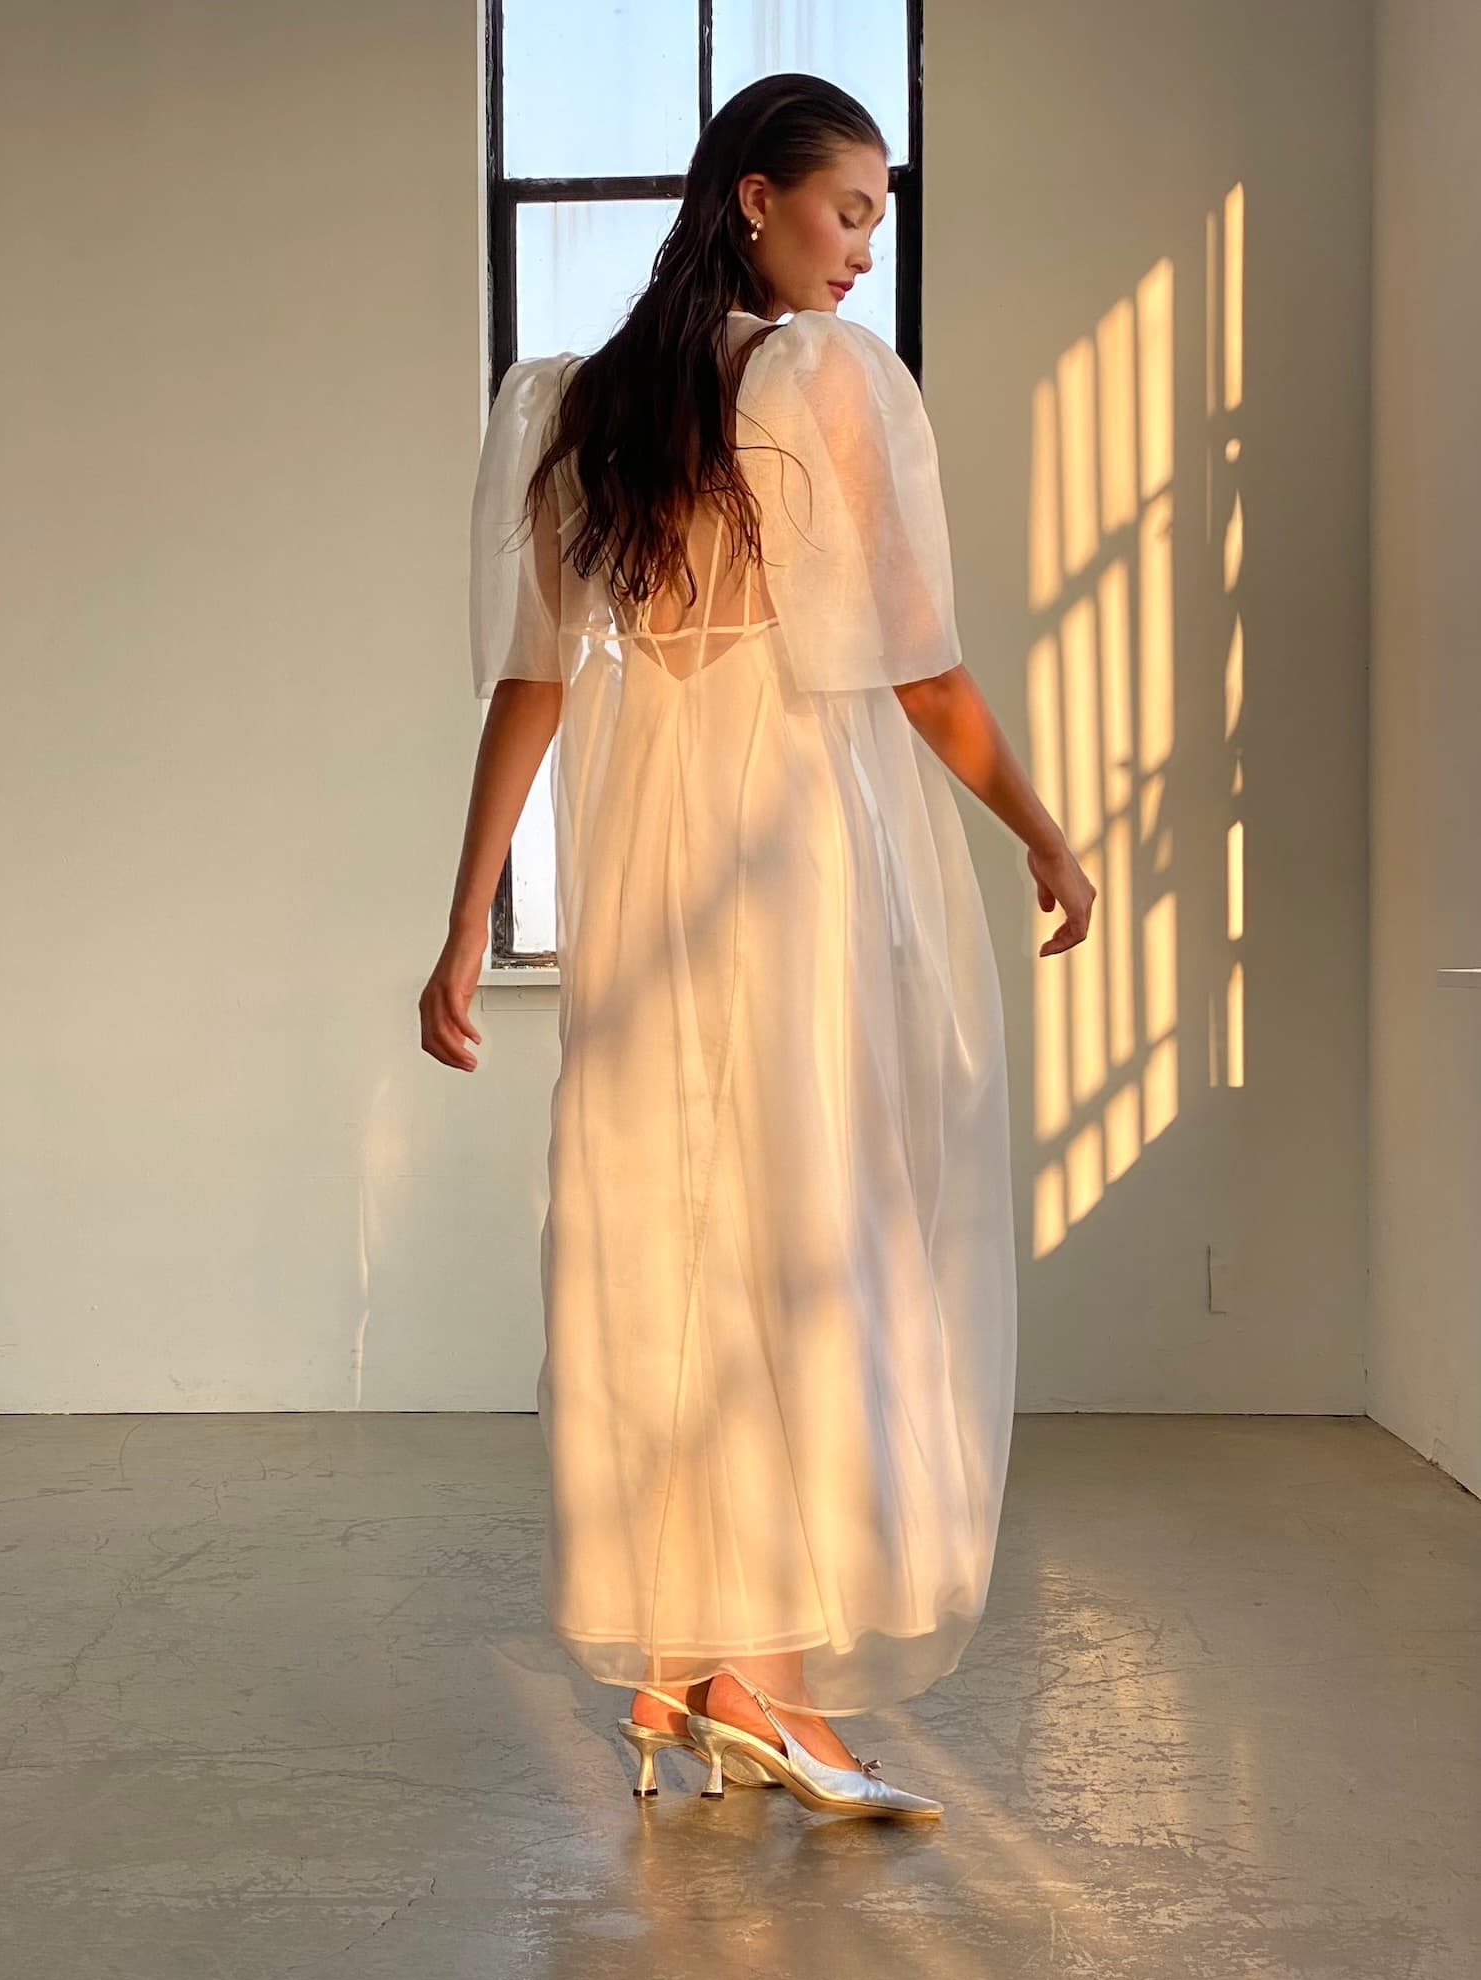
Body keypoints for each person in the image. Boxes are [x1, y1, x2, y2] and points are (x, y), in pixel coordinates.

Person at [420, 74, 1095, 1821]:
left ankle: (680, 1667)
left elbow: (537, 682)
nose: (867, 247)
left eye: (880, 215)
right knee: (811, 1231)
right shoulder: (820, 384)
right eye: (849, 209)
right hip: (796, 847)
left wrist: (464, 925)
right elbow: (922, 674)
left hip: (650, 860)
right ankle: (765, 1685)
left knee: (673, 1229)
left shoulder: (576, 404)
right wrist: (1039, 828)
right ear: (752, 201)